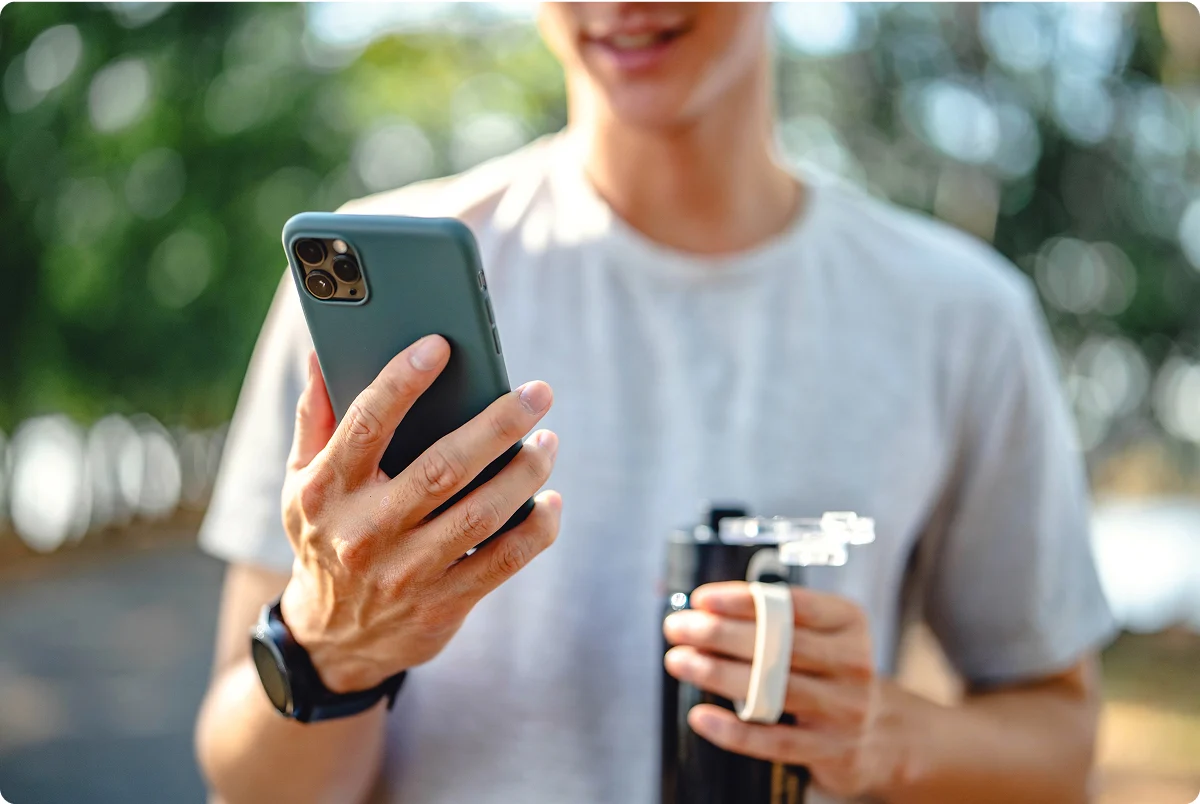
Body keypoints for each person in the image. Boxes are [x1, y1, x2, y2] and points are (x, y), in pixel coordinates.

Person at [194, 3, 1116, 803]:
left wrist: (884, 736)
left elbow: (1062, 752)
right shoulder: (365, 277)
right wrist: (328, 647)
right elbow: (244, 778)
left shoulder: (960, 317)